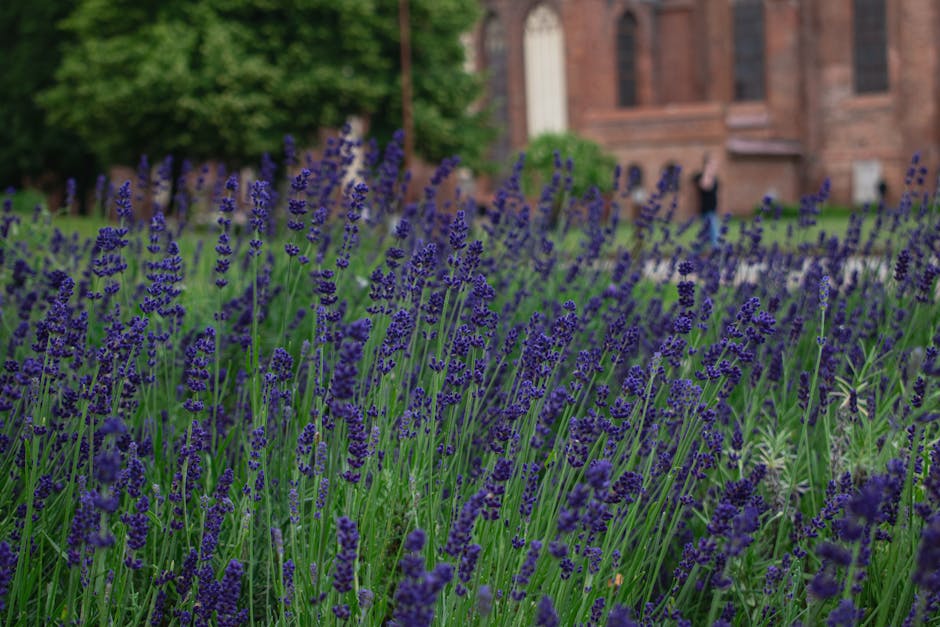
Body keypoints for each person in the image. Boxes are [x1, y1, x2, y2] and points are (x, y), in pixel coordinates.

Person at [693, 153, 720, 248]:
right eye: (712, 165)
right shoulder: (701, 176)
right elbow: (705, 186)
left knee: (704, 237)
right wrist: (707, 171)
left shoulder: (715, 179)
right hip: (706, 211)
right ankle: (716, 254)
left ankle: (694, 255)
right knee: (715, 236)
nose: (714, 167)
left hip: (713, 211)